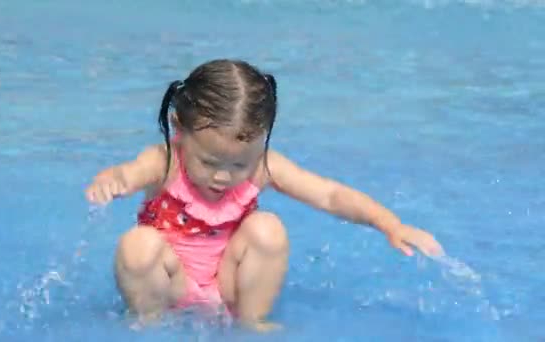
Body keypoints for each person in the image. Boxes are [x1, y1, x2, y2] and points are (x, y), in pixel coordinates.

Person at [85, 59, 444, 331]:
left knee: (267, 228)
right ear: (180, 129)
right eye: (209, 161)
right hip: (171, 285)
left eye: (240, 164)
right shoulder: (164, 162)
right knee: (138, 245)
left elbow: (330, 195)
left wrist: (389, 224)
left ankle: (252, 327)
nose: (224, 176)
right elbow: (124, 173)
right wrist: (109, 182)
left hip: (230, 288)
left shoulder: (264, 167)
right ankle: (150, 328)